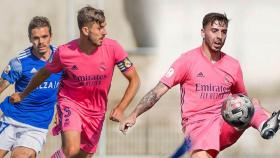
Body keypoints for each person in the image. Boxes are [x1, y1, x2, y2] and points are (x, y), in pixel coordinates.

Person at [120, 12, 280, 158]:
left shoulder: (233, 65)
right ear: (203, 33)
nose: (219, 36)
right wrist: (134, 114)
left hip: (224, 122)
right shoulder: (187, 61)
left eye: (224, 32)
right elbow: (157, 91)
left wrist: (268, 116)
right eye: (214, 30)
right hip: (198, 126)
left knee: (252, 103)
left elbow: (245, 101)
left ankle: (265, 125)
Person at [10, 6, 140, 158]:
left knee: (79, 156)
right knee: (71, 150)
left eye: (104, 27)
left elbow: (134, 80)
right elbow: (44, 73)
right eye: (99, 28)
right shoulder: (65, 52)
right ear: (85, 30)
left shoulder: (114, 48)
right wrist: (23, 94)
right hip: (71, 103)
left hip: (97, 111)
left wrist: (121, 108)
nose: (105, 32)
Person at [0, 16, 61, 158]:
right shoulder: (19, 62)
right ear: (30, 38)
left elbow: (71, 85)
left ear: (51, 36)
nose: (41, 42)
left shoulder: (61, 58)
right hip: (11, 118)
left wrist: (62, 109)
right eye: (36, 38)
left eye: (44, 36)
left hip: (36, 125)